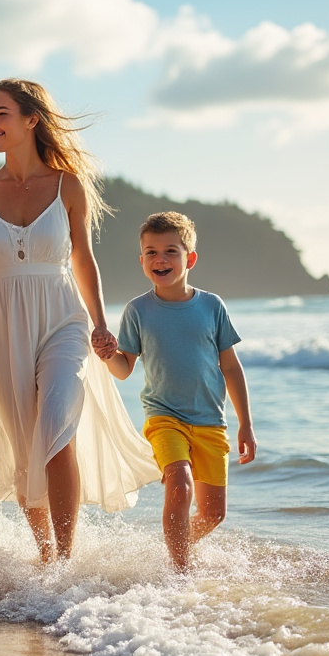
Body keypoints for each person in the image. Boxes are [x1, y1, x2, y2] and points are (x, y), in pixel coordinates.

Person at [0, 78, 159, 563]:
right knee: (24, 440)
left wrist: (100, 323)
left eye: (1, 113)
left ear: (32, 119)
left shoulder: (67, 185)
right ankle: (46, 555)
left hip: (63, 318)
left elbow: (83, 259)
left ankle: (66, 560)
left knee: (55, 423)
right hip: (5, 323)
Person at [100, 211, 258, 571]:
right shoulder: (138, 310)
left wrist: (246, 424)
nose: (161, 259)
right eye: (151, 252)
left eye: (171, 251)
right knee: (180, 483)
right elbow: (123, 369)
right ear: (142, 261)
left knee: (213, 513)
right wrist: (108, 355)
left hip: (210, 421)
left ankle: (173, 548)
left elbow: (231, 367)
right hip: (164, 417)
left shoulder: (212, 306)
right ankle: (180, 573)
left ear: (190, 258)